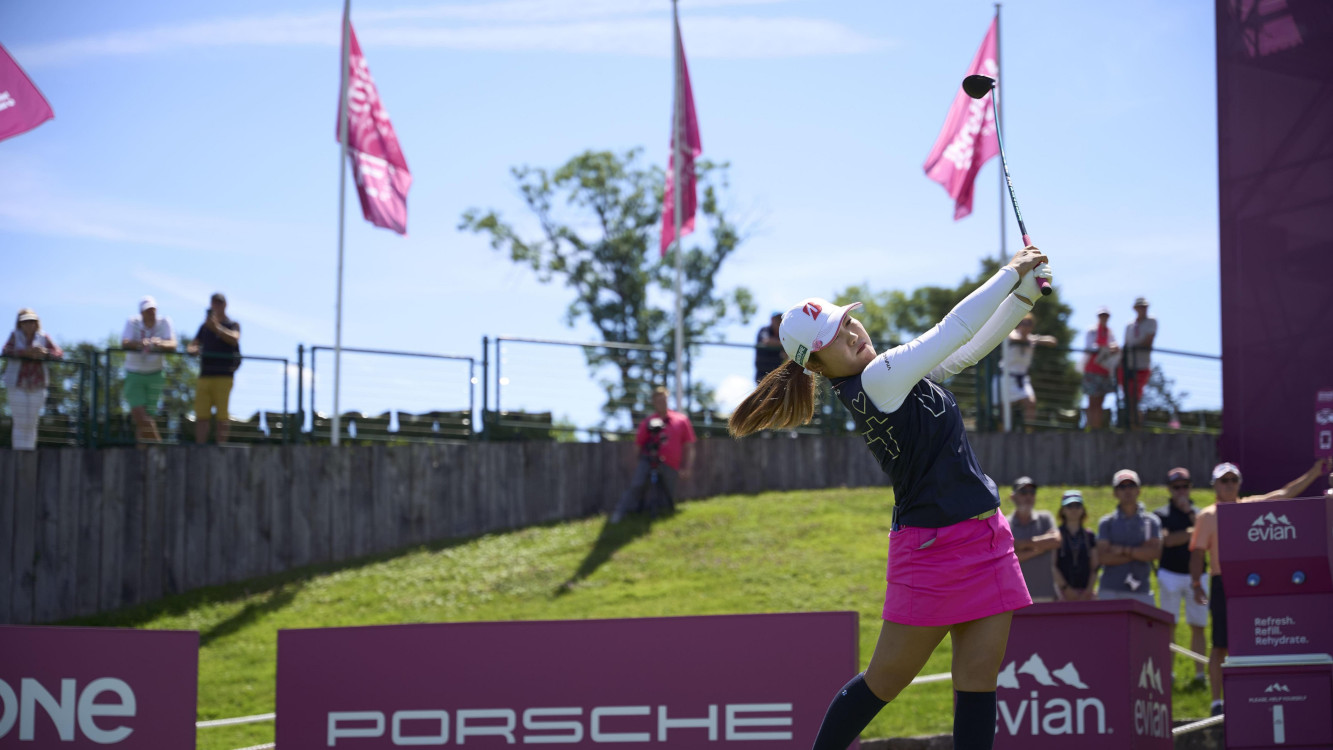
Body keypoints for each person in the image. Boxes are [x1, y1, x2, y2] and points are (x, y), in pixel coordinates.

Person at [729, 246, 1053, 750]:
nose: (852, 334)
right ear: (818, 365)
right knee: (885, 681)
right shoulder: (879, 379)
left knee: (978, 682)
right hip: (932, 549)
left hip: (987, 537)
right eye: (834, 338)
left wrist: (1023, 297)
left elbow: (964, 352)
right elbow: (952, 330)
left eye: (847, 322)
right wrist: (1010, 272)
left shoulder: (889, 374)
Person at [1189, 458, 1330, 716]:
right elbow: (1198, 553)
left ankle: (1248, 696)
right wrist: (1197, 584)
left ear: (1239, 483)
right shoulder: (1207, 515)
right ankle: (1216, 702)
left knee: (1249, 644)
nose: (1229, 485)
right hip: (1222, 583)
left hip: (1254, 584)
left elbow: (1285, 494)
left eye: (1233, 480)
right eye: (1224, 480)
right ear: (1215, 485)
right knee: (1220, 644)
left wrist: (1314, 472)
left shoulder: (1251, 507)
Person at [610, 386, 696, 523]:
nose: (661, 403)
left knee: (668, 492)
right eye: (658, 400)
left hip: (671, 465)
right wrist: (637, 464)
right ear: (654, 402)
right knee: (637, 485)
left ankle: (666, 514)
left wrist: (687, 467)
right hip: (649, 461)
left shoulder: (681, 420)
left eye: (663, 399)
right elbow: (638, 445)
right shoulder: (647, 422)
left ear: (668, 399)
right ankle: (620, 513)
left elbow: (689, 446)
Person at [1154, 467, 1207, 682]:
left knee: (1199, 625)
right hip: (1170, 574)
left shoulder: (1201, 513)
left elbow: (1207, 538)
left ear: (1190, 487)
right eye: (1176, 487)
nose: (1181, 491)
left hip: (1199, 576)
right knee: (1169, 625)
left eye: (1184, 486)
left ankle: (1200, 674)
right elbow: (1167, 541)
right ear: (1169, 489)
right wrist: (1194, 532)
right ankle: (1169, 674)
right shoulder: (1160, 514)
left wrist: (1190, 519)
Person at [1095, 469, 1162, 606]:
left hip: (1141, 590)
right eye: (1122, 487)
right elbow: (1103, 558)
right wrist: (1139, 552)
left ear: (1138, 490)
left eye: (1131, 486)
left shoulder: (1151, 522)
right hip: (1110, 590)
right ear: (1115, 493)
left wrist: (1123, 550)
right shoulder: (1107, 523)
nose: (1127, 490)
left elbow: (1155, 553)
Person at [2, 309, 64, 450]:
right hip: (17, 384)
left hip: (38, 385)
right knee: (20, 422)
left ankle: (29, 452)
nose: (29, 324)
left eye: (32, 321)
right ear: (20, 324)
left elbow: (59, 353)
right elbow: (6, 351)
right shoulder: (14, 336)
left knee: (31, 422)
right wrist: (25, 353)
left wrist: (45, 353)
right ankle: (19, 452)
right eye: (25, 322)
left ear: (37, 323)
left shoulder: (43, 337)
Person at [186, 292, 241, 444]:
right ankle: (200, 448)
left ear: (225, 305)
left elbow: (234, 338)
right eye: (214, 303)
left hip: (224, 376)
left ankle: (221, 448)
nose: (216, 306)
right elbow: (192, 344)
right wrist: (192, 350)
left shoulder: (232, 324)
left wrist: (216, 328)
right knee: (201, 415)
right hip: (205, 375)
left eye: (219, 303)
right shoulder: (204, 327)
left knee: (222, 416)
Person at [121, 296, 177, 443]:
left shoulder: (165, 322)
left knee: (145, 418)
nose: (151, 313)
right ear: (141, 313)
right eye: (147, 310)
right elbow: (125, 343)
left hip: (156, 373)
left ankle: (142, 453)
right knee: (139, 414)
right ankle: (160, 448)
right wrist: (140, 343)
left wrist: (160, 344)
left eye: (153, 310)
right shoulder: (132, 322)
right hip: (134, 372)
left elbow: (173, 344)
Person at [1006, 476, 1062, 602]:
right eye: (1023, 492)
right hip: (1017, 597)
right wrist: (1040, 549)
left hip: (1046, 594)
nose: (1028, 496)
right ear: (1013, 497)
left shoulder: (1045, 518)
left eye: (1032, 492)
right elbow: (1009, 558)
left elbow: (1056, 541)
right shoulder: (1006, 523)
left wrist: (1023, 544)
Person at [1000, 315, 1057, 428]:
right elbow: (1013, 338)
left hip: (1023, 379)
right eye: (1023, 323)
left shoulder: (1032, 338)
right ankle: (1002, 432)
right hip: (1006, 377)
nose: (1025, 326)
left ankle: (1028, 432)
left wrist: (1036, 339)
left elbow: (1053, 341)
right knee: (1005, 408)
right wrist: (1031, 340)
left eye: (1029, 324)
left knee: (1031, 403)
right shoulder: (1011, 333)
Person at [1053, 490, 1099, 601]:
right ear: (1063, 510)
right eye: (1069, 506)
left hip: (1086, 593)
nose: (1074, 509)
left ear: (1083, 509)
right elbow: (1052, 566)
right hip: (1062, 594)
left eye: (1077, 506)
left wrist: (1088, 590)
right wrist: (1066, 589)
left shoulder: (1089, 536)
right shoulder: (1056, 535)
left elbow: (1095, 567)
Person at [1120, 297, 1156, 429]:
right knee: (1128, 397)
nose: (1143, 309)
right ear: (1135, 309)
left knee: (1135, 397)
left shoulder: (1151, 321)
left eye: (1144, 307)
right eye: (1140, 307)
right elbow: (1126, 344)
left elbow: (1148, 342)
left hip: (1142, 365)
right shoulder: (1129, 325)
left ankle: (1136, 425)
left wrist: (1133, 349)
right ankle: (1131, 424)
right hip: (1127, 364)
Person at [1082, 307, 1118, 430]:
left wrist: (1106, 348)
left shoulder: (1110, 332)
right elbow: (1090, 347)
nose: (1104, 318)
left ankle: (1096, 429)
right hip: (1091, 370)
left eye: (1106, 315)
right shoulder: (1091, 331)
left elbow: (1114, 347)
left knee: (1100, 403)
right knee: (1092, 402)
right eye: (1102, 315)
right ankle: (1089, 427)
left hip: (1105, 371)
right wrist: (1106, 348)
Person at [754, 311, 786, 383]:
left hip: (778, 374)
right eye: (777, 319)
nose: (779, 321)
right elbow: (767, 341)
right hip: (762, 373)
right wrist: (783, 345)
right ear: (772, 319)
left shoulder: (783, 333)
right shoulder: (765, 330)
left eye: (781, 319)